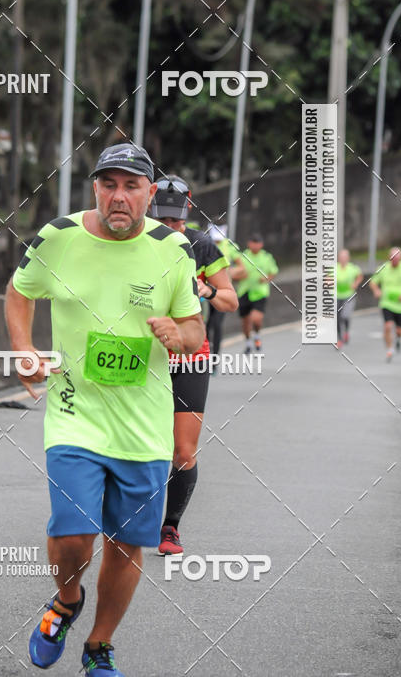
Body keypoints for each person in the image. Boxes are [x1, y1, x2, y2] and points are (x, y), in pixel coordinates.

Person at [5, 143, 204, 677]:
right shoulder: (60, 237)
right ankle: (66, 602)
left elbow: (195, 330)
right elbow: (20, 292)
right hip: (76, 413)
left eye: (131, 186)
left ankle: (99, 646)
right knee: (73, 531)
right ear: (95, 187)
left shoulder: (172, 251)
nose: (119, 196)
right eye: (108, 184)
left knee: (128, 542)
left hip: (143, 426)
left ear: (149, 193)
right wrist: (24, 349)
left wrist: (177, 333)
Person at [149, 176, 238, 556]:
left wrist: (209, 290)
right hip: (143, 355)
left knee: (182, 451)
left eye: (177, 220)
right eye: (163, 220)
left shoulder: (202, 245)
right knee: (138, 446)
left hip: (189, 357)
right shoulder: (134, 241)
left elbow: (231, 301)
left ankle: (170, 528)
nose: (171, 227)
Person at [231, 234, 278, 353]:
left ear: (261, 244)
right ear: (249, 243)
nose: (255, 245)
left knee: (256, 319)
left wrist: (266, 279)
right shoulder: (242, 257)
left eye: (258, 243)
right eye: (253, 242)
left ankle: (257, 335)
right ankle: (247, 343)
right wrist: (239, 276)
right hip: (244, 291)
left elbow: (273, 272)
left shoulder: (267, 257)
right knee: (245, 321)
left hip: (260, 292)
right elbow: (234, 274)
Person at [205, 223, 240, 358]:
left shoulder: (230, 246)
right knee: (206, 325)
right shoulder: (205, 244)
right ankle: (207, 355)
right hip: (205, 293)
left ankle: (215, 358)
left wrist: (229, 273)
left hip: (222, 293)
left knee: (217, 325)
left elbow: (242, 268)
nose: (217, 241)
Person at [369, 247, 401, 362]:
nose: (394, 261)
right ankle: (390, 349)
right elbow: (373, 282)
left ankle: (399, 339)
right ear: (389, 258)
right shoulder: (383, 268)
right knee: (387, 326)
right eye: (392, 259)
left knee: (399, 330)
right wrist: (376, 290)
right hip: (387, 303)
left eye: (397, 259)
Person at [335, 249, 363, 349]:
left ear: (348, 258)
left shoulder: (352, 268)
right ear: (338, 258)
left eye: (345, 257)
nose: (343, 259)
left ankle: (346, 331)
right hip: (337, 296)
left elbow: (360, 276)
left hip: (348, 295)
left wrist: (355, 283)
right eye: (341, 257)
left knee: (345, 316)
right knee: (337, 318)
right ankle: (339, 339)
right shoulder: (334, 268)